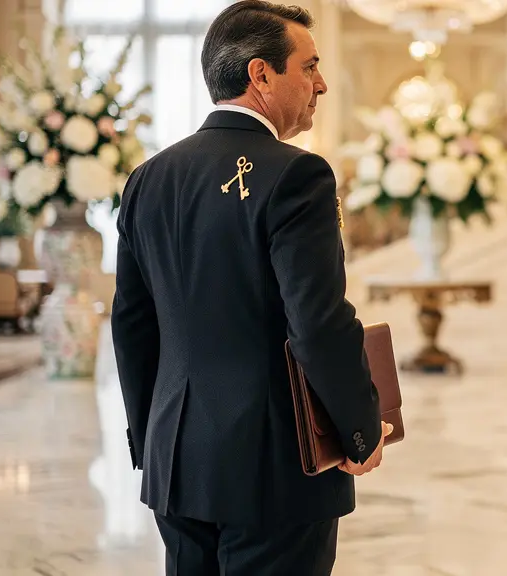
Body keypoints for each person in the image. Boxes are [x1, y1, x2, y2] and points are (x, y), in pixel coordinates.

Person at [110, 2, 393, 574]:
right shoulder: (297, 174)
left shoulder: (147, 179)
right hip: (273, 465)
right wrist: (359, 430)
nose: (322, 84)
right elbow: (317, 322)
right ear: (260, 74)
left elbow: (131, 323)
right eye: (309, 66)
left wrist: (151, 439)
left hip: (176, 461)